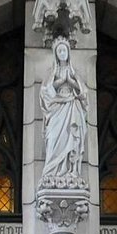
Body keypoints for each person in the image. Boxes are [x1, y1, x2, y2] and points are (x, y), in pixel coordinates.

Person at [39, 38, 88, 186]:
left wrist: (71, 81)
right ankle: (52, 171)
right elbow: (45, 92)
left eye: (64, 50)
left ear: (68, 53)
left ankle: (71, 171)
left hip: (71, 106)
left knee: (72, 138)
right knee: (53, 138)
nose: (62, 53)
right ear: (55, 54)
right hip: (56, 108)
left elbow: (83, 92)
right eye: (59, 51)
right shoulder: (52, 72)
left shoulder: (73, 71)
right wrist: (60, 81)